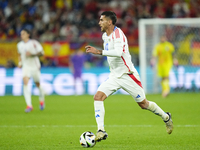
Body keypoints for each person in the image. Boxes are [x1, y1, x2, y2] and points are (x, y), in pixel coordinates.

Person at [85, 11, 173, 142]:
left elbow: (118, 52)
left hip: (128, 75)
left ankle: (166, 117)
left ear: (109, 22)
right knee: (98, 97)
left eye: (102, 20)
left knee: (143, 104)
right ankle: (101, 130)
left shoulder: (118, 34)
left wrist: (98, 51)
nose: (99, 22)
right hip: (114, 76)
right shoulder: (105, 36)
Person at [17, 29, 45, 113]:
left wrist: (32, 54)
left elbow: (42, 53)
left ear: (28, 34)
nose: (22, 35)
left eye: (23, 34)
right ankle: (29, 105)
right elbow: (19, 54)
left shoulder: (34, 43)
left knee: (38, 84)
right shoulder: (19, 45)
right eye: (21, 34)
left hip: (35, 66)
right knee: (25, 83)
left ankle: (41, 99)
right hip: (26, 67)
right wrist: (20, 62)